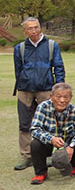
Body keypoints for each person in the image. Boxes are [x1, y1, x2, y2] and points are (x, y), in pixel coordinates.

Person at [13, 17, 65, 171]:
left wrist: (58, 88)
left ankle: (46, 154)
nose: (34, 31)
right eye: (30, 28)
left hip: (46, 89)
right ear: (25, 31)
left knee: (48, 123)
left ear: (41, 28)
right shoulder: (20, 48)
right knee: (24, 124)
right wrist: (24, 82)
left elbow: (58, 66)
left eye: (36, 27)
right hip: (25, 90)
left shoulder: (51, 45)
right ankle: (27, 156)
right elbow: (18, 70)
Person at [29, 83, 75, 184]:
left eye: (66, 97)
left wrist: (71, 146)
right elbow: (35, 129)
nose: (62, 100)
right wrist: (51, 139)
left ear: (71, 97)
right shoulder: (43, 107)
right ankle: (41, 173)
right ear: (51, 96)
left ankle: (71, 166)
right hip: (48, 143)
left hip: (67, 144)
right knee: (35, 144)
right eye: (58, 97)